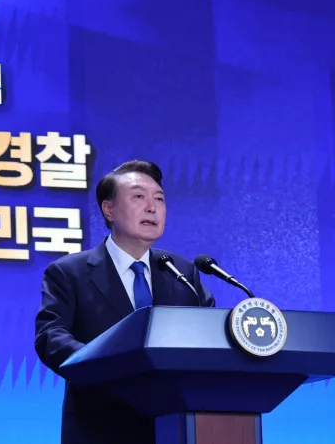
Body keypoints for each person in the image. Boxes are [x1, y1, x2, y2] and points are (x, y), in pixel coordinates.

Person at [34, 160, 215, 444]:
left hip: (175, 427)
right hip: (101, 427)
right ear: (109, 209)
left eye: (159, 199)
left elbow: (211, 334)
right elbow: (51, 337)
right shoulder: (70, 272)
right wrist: (108, 365)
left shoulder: (181, 272)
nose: (152, 207)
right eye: (139, 197)